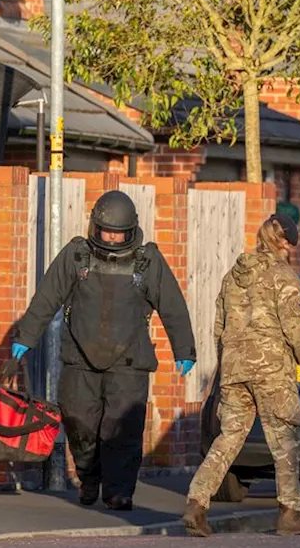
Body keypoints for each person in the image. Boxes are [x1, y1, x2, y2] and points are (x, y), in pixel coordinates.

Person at [13, 190, 196, 510]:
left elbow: (173, 306)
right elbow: (47, 297)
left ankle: (118, 490)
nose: (111, 238)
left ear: (131, 231)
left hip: (130, 360)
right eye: (106, 231)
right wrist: (26, 336)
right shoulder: (76, 255)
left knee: (122, 428)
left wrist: (184, 350)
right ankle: (90, 476)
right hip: (80, 356)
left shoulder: (147, 260)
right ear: (95, 227)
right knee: (78, 420)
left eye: (118, 233)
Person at [182, 213, 300, 537]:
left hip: (234, 368)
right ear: (284, 242)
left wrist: (224, 366)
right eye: (290, 242)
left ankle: (196, 501)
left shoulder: (233, 276)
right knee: (285, 440)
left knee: (229, 437)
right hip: (272, 369)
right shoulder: (284, 277)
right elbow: (294, 326)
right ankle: (290, 513)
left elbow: (218, 327)